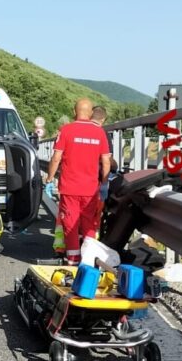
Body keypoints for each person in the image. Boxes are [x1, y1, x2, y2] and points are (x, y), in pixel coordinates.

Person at [44, 98, 111, 265]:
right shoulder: (99, 132)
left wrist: (50, 178)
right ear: (90, 114)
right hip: (91, 189)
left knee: (70, 222)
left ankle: (73, 259)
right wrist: (104, 183)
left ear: (75, 112)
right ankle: (88, 260)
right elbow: (106, 161)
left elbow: (56, 158)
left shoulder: (66, 130)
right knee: (89, 224)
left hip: (70, 187)